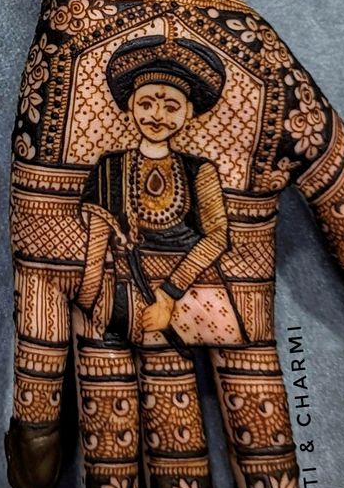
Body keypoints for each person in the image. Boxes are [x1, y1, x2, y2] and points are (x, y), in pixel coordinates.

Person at [76, 28, 245, 346]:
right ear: (131, 106)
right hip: (131, 294)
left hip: (196, 291)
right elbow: (95, 258)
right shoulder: (109, 168)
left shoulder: (201, 171)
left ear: (188, 113)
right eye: (147, 103)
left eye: (171, 107)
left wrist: (169, 296)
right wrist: (82, 310)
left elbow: (218, 237)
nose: (157, 116)